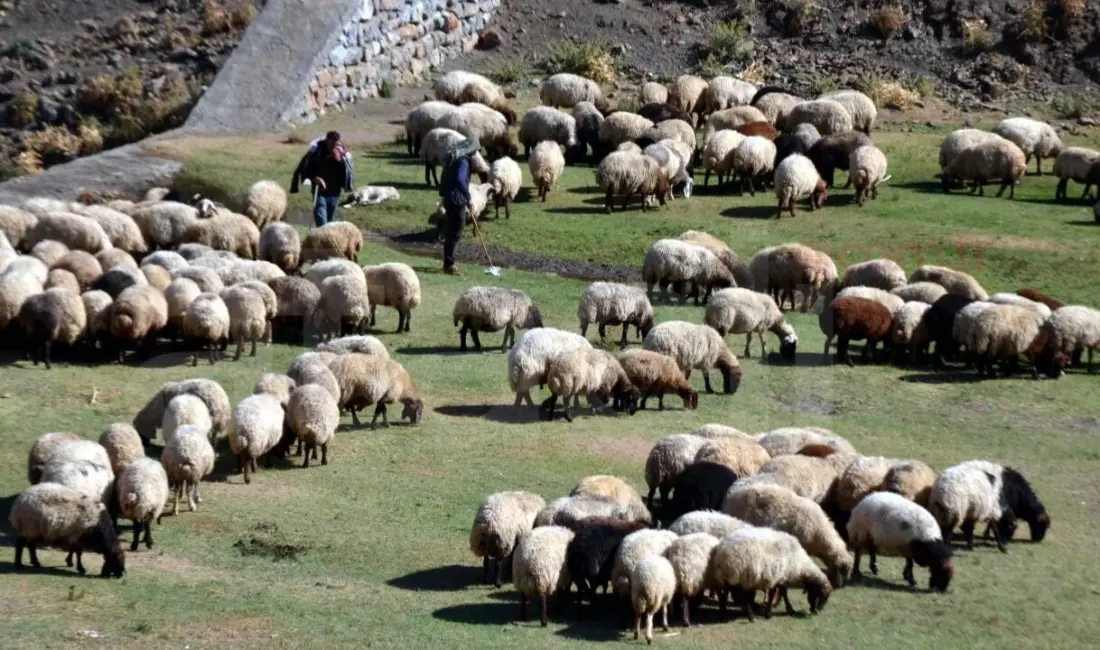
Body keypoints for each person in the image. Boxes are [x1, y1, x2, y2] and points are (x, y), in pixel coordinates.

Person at [290, 131, 354, 227]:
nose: (333, 146)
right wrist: (314, 178)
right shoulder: (317, 151)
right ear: (327, 140)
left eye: (335, 143)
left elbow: (347, 171)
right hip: (319, 191)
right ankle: (322, 237)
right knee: (322, 222)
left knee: (330, 221)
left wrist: (339, 161)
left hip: (335, 192)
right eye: (331, 143)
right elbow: (306, 168)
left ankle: (326, 240)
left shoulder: (342, 153)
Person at [437, 137, 480, 275]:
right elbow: (460, 179)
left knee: (451, 232)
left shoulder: (454, 158)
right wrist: (468, 198)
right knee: (455, 232)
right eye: (474, 152)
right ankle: (449, 265)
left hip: (449, 199)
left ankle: (448, 262)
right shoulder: (463, 161)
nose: (475, 155)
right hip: (457, 200)